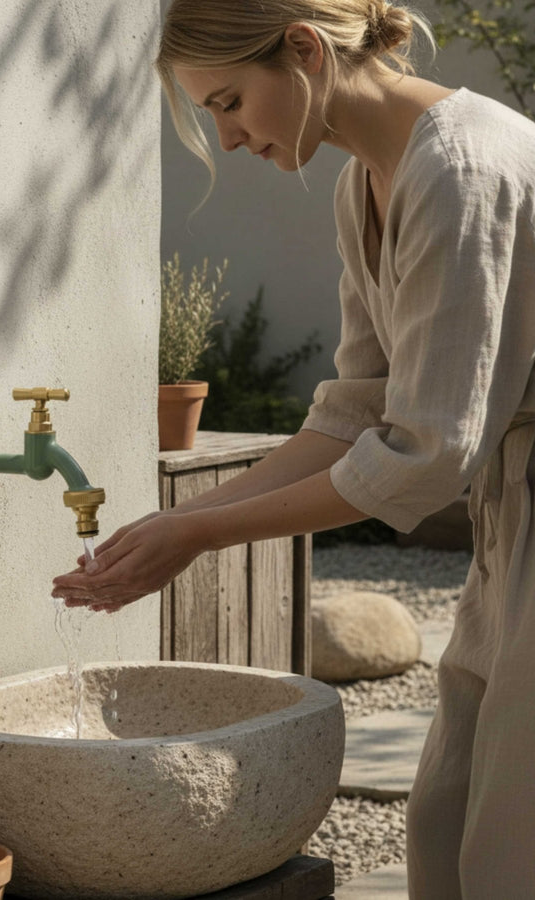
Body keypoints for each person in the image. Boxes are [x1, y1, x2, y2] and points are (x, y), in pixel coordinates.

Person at [53, 1, 535, 896]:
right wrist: (175, 522)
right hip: (511, 527)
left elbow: (427, 453)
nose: (229, 139)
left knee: (512, 848)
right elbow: (352, 414)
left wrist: (201, 538)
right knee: (448, 823)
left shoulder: (461, 167)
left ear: (305, 50)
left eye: (229, 102)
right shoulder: (368, 183)